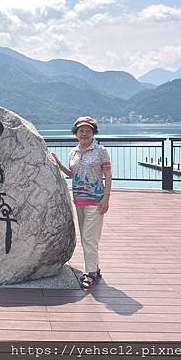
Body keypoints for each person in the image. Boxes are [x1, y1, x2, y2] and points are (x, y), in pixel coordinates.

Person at [52, 116, 112, 289]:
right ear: (76, 133)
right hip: (79, 200)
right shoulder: (73, 152)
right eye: (81, 130)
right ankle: (95, 269)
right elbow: (73, 175)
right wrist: (58, 164)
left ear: (93, 133)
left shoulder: (100, 151)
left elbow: (107, 174)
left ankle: (91, 273)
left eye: (88, 130)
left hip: (96, 200)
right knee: (88, 237)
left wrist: (106, 197)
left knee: (89, 238)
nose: (84, 133)